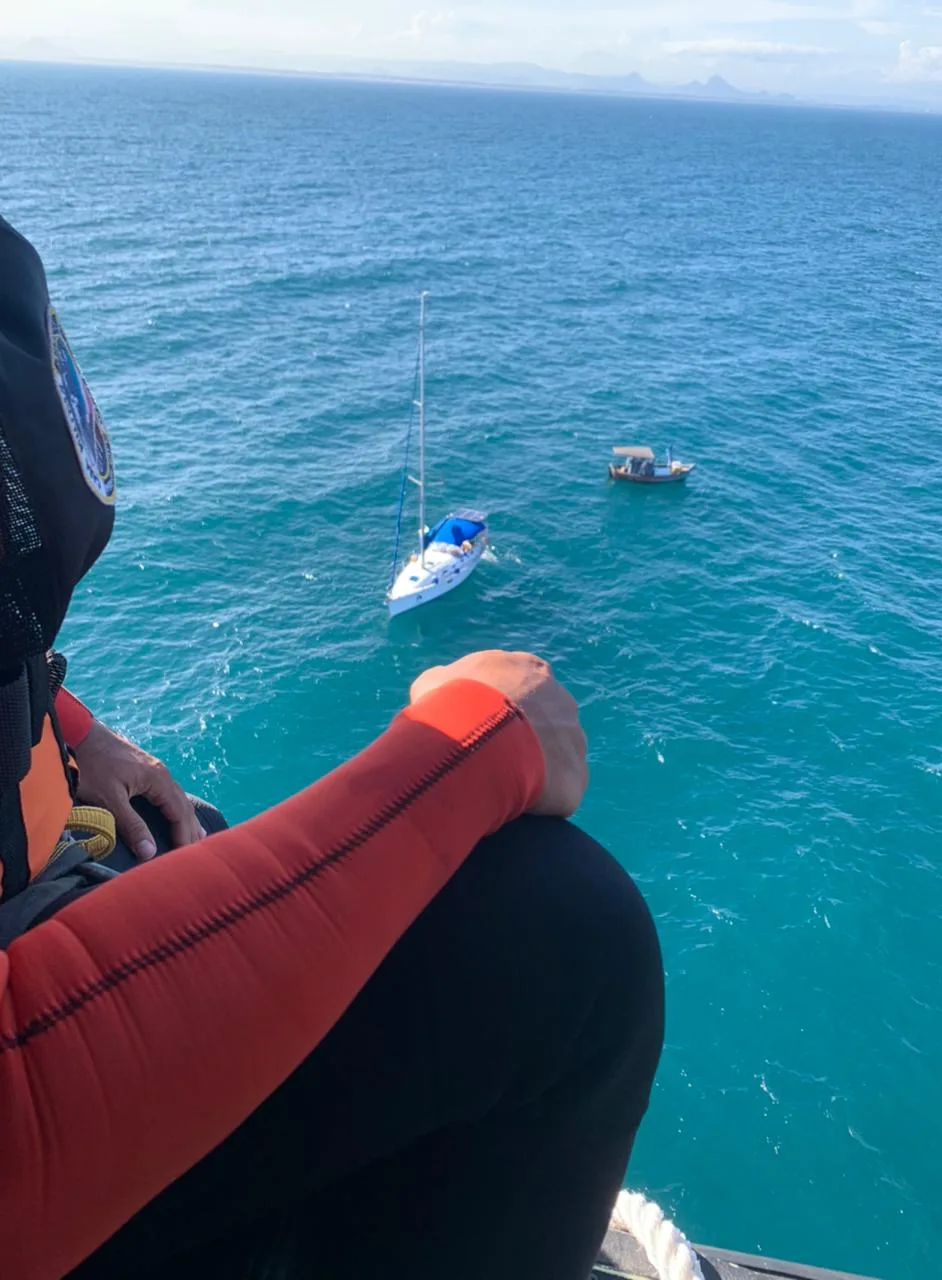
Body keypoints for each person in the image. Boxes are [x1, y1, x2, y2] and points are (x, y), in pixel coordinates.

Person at [0, 214, 664, 1280]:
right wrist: (469, 747)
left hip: (43, 882)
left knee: (195, 839)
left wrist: (63, 730)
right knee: (563, 936)